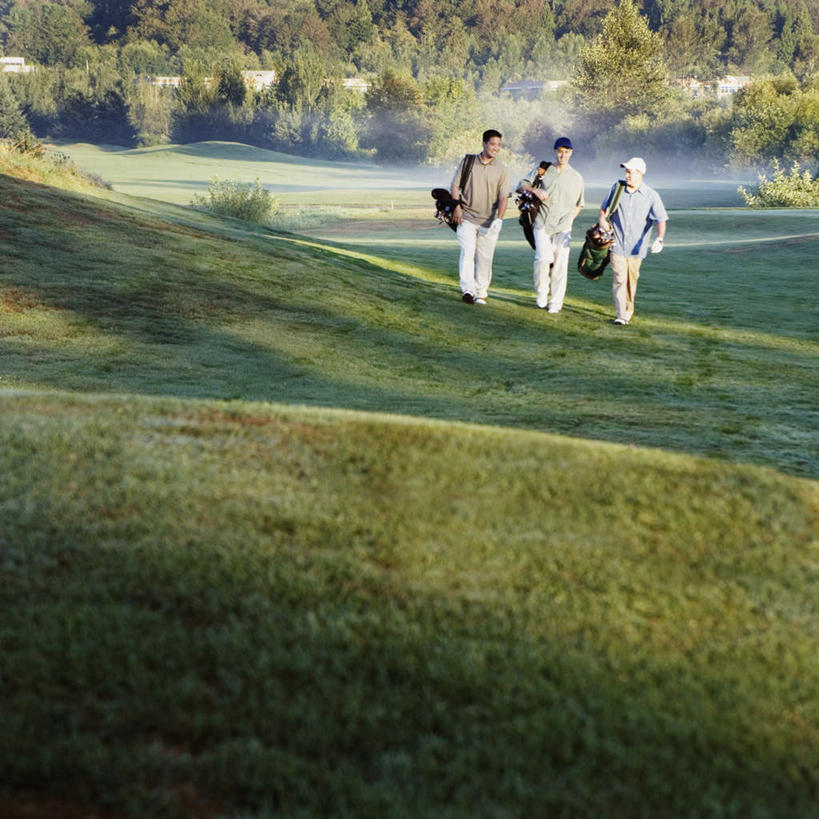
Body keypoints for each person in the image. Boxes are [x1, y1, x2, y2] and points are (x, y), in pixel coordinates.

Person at [516, 137, 585, 312]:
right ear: (555, 152)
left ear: (571, 153)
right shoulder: (543, 170)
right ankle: (541, 292)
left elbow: (579, 204)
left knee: (561, 265)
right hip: (542, 222)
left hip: (563, 226)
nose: (563, 155)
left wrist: (569, 220)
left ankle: (555, 302)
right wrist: (535, 190)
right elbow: (521, 185)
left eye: (566, 152)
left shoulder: (577, 178)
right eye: (560, 151)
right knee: (543, 259)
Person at [598, 157, 668, 325]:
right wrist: (602, 221)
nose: (627, 175)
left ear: (640, 174)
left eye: (630, 172)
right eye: (626, 171)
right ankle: (621, 315)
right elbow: (603, 210)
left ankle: (628, 310)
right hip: (616, 244)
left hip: (637, 248)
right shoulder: (617, 188)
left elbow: (661, 219)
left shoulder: (651, 195)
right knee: (620, 278)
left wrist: (660, 239)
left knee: (632, 279)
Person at [450, 129, 511, 305]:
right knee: (467, 253)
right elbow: (454, 186)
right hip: (467, 217)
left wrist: (499, 219)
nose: (496, 148)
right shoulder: (468, 162)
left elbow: (503, 197)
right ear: (484, 144)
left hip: (489, 222)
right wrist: (457, 207)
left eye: (499, 145)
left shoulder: (502, 169)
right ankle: (468, 290)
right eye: (493, 144)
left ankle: (481, 293)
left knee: (485, 258)